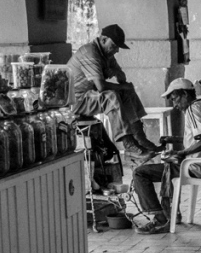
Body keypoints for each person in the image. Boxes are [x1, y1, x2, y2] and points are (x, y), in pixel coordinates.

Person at [132, 78, 201, 233]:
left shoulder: (192, 109)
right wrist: (174, 140)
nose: (175, 105)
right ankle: (173, 213)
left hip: (195, 167)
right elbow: (197, 139)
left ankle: (160, 219)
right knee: (168, 166)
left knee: (140, 173)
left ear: (185, 94)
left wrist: (180, 153)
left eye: (175, 99)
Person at [67, 24, 159, 162]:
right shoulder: (90, 52)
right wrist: (121, 85)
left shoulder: (105, 53)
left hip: (89, 96)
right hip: (77, 100)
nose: (116, 50)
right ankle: (129, 146)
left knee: (127, 92)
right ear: (103, 39)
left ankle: (140, 138)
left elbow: (122, 78)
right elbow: (101, 87)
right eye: (114, 46)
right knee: (110, 97)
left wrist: (117, 73)